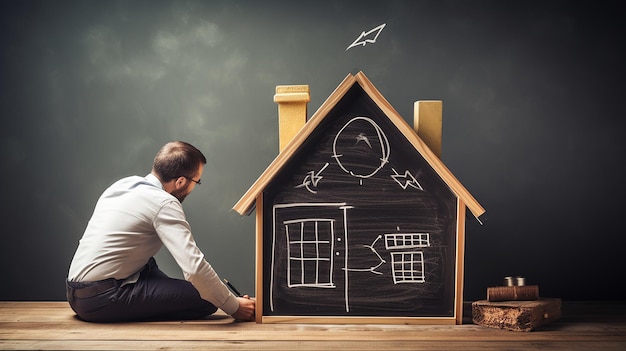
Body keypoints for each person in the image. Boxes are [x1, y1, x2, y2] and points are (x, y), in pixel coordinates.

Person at [66, 141, 255, 322]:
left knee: (158, 268)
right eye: (197, 182)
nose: (194, 187)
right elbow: (194, 268)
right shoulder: (164, 202)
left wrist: (224, 295)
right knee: (207, 299)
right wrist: (234, 306)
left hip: (74, 293)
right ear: (181, 181)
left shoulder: (122, 185)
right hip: (100, 300)